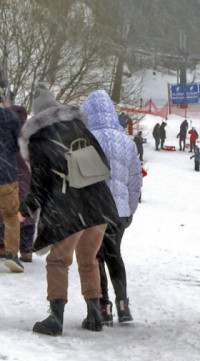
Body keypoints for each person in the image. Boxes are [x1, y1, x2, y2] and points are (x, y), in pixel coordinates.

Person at [20, 84, 119, 335]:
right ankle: (95, 314)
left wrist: (25, 210)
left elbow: (40, 184)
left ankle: (56, 317)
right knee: (89, 258)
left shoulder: (40, 139)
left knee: (57, 260)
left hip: (68, 209)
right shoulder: (79, 127)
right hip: (99, 206)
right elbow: (103, 163)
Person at [80, 90, 142, 325]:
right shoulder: (126, 141)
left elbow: (83, 182)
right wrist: (130, 209)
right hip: (120, 212)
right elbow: (135, 181)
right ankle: (123, 305)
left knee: (96, 257)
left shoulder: (86, 140)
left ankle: (103, 306)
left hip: (95, 211)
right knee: (115, 254)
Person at [0, 95, 22, 272]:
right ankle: (12, 254)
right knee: (10, 215)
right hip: (6, 173)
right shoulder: (11, 118)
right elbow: (18, 145)